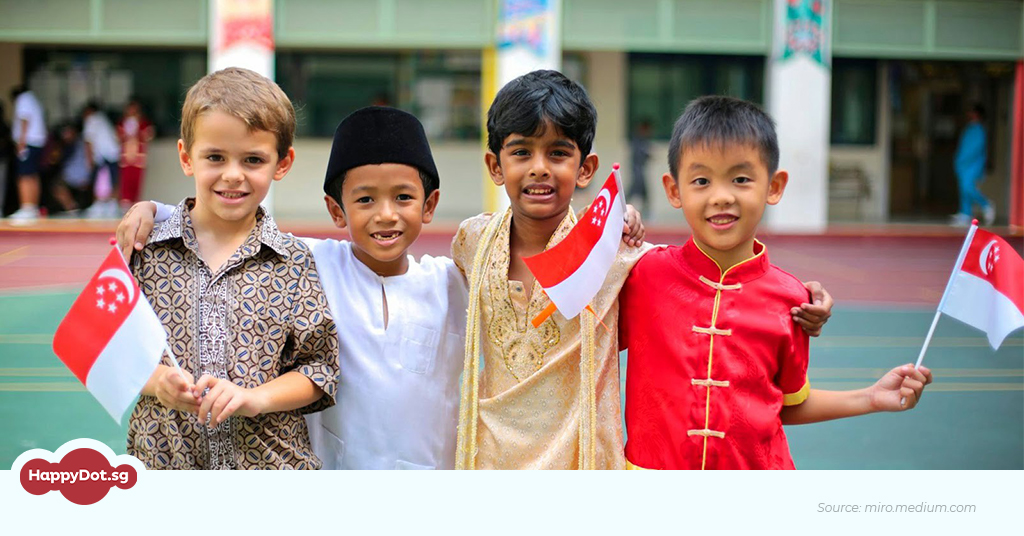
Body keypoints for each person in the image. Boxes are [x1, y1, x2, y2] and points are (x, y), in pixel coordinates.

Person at [451, 71, 834, 469]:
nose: (539, 168)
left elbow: (702, 279)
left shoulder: (615, 253)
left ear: (587, 169)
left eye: (559, 153)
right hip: (487, 457)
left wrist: (795, 296)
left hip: (582, 465)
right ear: (495, 166)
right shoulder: (471, 241)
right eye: (521, 153)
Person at [118, 106, 469, 470]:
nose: (385, 214)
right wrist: (154, 211)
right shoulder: (313, 261)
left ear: (429, 205)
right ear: (336, 211)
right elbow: (228, 222)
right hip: (333, 480)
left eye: (403, 197)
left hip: (431, 479)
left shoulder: (450, 283)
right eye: (365, 199)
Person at [619, 96, 933, 470]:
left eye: (741, 179)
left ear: (774, 186)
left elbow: (786, 405)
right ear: (674, 190)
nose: (721, 196)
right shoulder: (641, 275)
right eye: (701, 180)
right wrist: (613, 229)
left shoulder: (793, 300)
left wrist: (870, 397)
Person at [125, 67, 339, 469]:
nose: (233, 175)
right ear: (187, 157)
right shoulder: (144, 250)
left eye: (253, 159)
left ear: (282, 162)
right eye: (215, 157)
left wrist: (256, 398)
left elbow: (319, 368)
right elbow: (109, 350)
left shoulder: (293, 262)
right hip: (166, 468)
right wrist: (157, 383)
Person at [8, 85, 47, 222]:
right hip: (37, 142)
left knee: (23, 176)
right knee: (32, 175)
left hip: (28, 142)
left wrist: (21, 143)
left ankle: (26, 207)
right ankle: (33, 207)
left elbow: (24, 120)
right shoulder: (33, 99)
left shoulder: (23, 99)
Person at [951, 103, 994, 227]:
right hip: (963, 164)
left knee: (968, 187)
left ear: (977, 114)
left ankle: (986, 204)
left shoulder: (979, 130)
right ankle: (965, 214)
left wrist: (963, 160)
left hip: (971, 164)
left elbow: (975, 149)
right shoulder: (969, 128)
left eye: (971, 112)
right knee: (963, 189)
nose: (968, 114)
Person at [82, 102, 121, 218]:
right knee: (113, 179)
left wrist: (89, 160)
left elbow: (88, 142)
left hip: (103, 155)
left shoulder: (91, 120)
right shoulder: (103, 119)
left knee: (98, 180)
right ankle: (112, 205)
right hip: (114, 152)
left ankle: (98, 205)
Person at [117, 98, 154, 209]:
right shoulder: (122, 123)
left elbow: (149, 135)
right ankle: (125, 208)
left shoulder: (143, 123)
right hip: (126, 159)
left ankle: (135, 208)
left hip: (138, 159)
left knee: (136, 185)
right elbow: (118, 137)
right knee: (125, 184)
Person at [626, 119, 652, 217]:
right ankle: (619, 209)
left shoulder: (642, 140)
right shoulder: (637, 140)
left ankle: (647, 213)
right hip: (637, 171)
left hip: (640, 171)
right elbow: (641, 154)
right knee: (633, 191)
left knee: (643, 193)